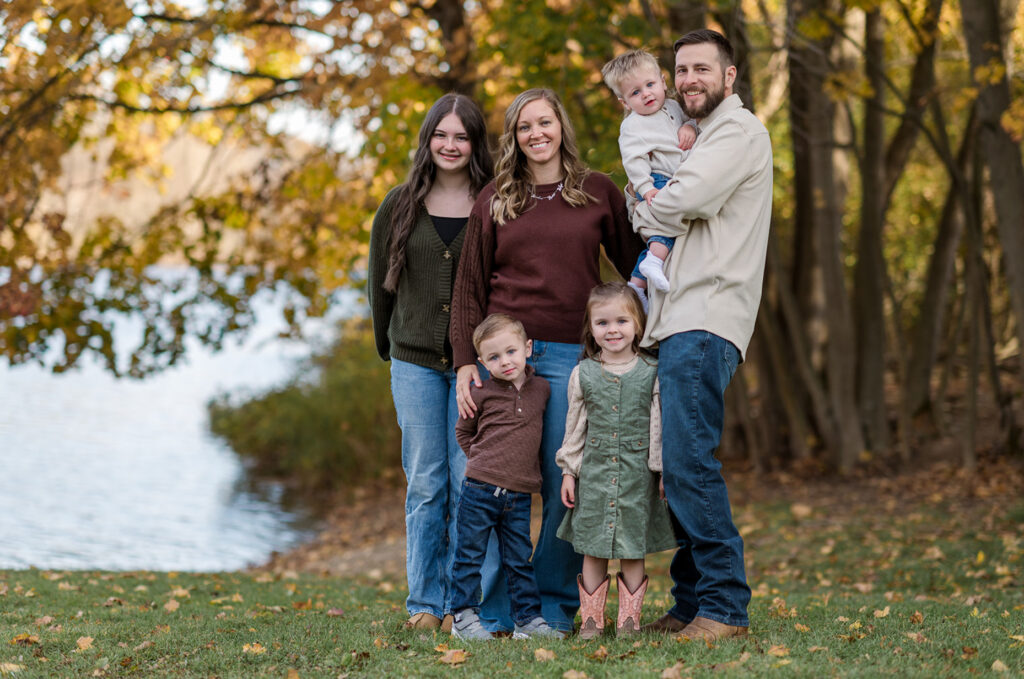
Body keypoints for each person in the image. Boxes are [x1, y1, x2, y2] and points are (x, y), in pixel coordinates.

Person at [451, 88, 645, 634]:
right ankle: (495, 610)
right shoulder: (495, 197)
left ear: (561, 126)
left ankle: (551, 606)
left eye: (545, 122)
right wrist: (466, 361)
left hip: (571, 359)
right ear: (513, 137)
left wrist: (635, 340)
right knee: (497, 486)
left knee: (567, 482)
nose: (536, 134)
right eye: (524, 127)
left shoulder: (598, 191)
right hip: (503, 363)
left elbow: (636, 269)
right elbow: (469, 285)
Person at [630, 29, 774, 641]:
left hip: (707, 315)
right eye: (681, 69)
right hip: (678, 317)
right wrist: (656, 203)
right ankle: (690, 603)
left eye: (702, 69)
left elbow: (682, 200)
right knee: (675, 465)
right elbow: (660, 207)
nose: (688, 79)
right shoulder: (692, 137)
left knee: (689, 461)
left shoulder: (738, 133)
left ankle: (724, 607)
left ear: (729, 75)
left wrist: (651, 203)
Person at [368, 93, 495, 632]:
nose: (450, 145)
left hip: (476, 369)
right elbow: (379, 286)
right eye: (441, 134)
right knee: (425, 484)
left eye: (461, 136)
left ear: (475, 143)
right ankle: (425, 603)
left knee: (470, 484)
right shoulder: (399, 204)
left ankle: (463, 606)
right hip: (415, 366)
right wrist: (391, 349)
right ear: (428, 139)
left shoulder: (493, 201)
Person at [555, 282, 676, 638]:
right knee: (593, 548)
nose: (612, 330)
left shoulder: (652, 371)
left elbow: (658, 428)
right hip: (594, 477)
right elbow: (574, 428)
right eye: (602, 322)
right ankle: (591, 621)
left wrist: (662, 471)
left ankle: (629, 622)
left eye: (621, 321)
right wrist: (568, 472)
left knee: (632, 548)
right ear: (591, 328)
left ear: (638, 324)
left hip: (637, 477)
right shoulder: (583, 373)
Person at [449, 314, 563, 641]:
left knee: (518, 559)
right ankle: (463, 617)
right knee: (470, 555)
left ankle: (527, 620)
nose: (505, 362)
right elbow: (463, 431)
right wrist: (481, 462)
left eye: (511, 351)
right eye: (494, 357)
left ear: (528, 348)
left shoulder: (542, 389)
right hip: (479, 490)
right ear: (483, 362)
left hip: (519, 494)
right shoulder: (480, 393)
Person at [601, 49, 698, 309]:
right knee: (668, 222)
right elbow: (634, 161)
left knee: (674, 223)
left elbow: (693, 122)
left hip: (678, 177)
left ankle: (636, 284)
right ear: (624, 102)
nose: (646, 94)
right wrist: (645, 189)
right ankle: (654, 261)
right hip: (657, 179)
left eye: (650, 85)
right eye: (635, 92)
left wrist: (689, 126)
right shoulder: (633, 125)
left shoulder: (674, 106)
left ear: (663, 82)